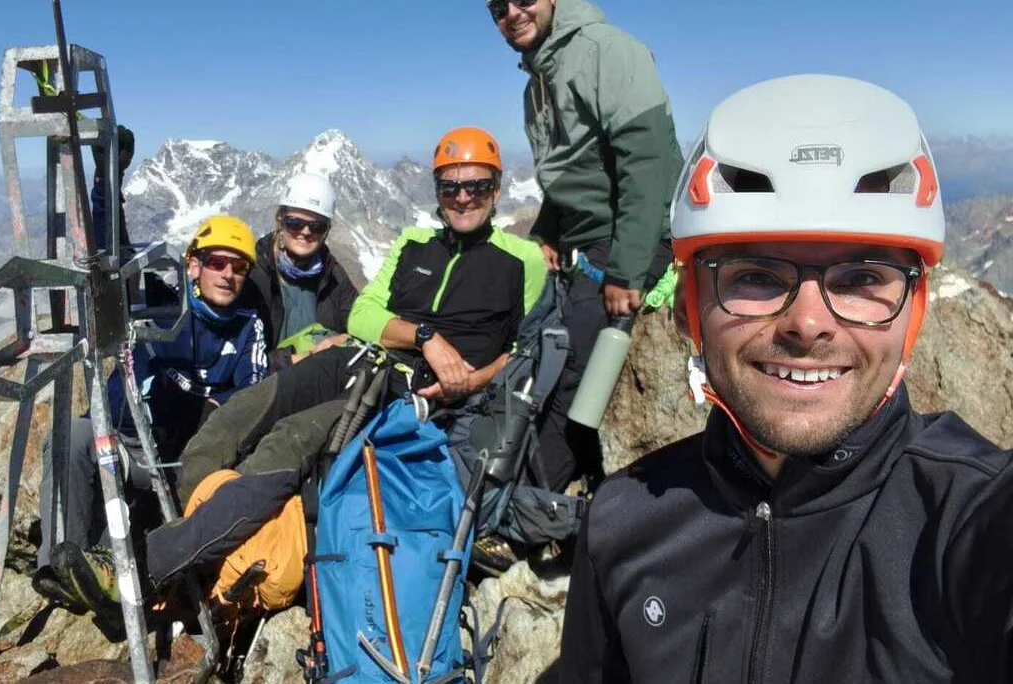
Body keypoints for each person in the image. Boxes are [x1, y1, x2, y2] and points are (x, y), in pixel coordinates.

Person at [558, 74, 1013, 682]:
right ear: (692, 307)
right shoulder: (620, 521)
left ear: (913, 314)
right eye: (753, 275)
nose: (807, 324)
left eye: (861, 279)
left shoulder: (971, 518)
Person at [49, 127, 548, 611]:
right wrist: (425, 337)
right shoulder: (412, 243)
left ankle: (146, 569)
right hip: (352, 360)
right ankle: (193, 537)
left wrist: (467, 380)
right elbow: (365, 317)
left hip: (407, 389)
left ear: (497, 189)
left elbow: (526, 348)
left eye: (477, 185)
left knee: (289, 440)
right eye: (451, 186)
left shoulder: (523, 260)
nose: (463, 197)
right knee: (237, 417)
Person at [486, 0, 683, 491]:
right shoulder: (540, 80)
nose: (512, 13)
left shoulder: (608, 52)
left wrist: (627, 268)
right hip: (590, 237)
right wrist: (549, 228)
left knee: (569, 364)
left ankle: (533, 499)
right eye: (497, 6)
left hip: (632, 235)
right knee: (539, 343)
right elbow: (571, 167)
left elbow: (647, 159)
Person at [32, 215, 269, 615]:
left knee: (132, 536)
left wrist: (212, 408)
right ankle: (59, 566)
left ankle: (100, 581)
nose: (227, 274)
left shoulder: (248, 330)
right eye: (216, 262)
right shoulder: (162, 304)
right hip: (120, 441)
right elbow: (111, 258)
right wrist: (108, 186)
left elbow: (251, 401)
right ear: (193, 264)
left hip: (173, 464)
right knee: (70, 438)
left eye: (238, 266)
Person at [243, 172, 359, 370]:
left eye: (317, 226)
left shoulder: (334, 276)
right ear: (280, 220)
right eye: (295, 223)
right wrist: (302, 358)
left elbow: (359, 325)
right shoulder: (253, 272)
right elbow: (238, 358)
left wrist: (343, 340)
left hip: (322, 383)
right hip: (266, 385)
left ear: (327, 231)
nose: (305, 232)